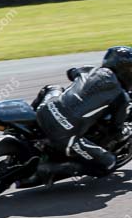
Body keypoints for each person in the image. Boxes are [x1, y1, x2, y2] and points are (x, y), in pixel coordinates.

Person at [33, 46, 132, 183]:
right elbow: (116, 128)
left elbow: (71, 72)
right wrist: (124, 131)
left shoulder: (89, 69)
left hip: (44, 111)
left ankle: (30, 121)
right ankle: (50, 168)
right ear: (125, 69)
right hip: (65, 136)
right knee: (109, 164)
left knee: (52, 88)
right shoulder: (122, 97)